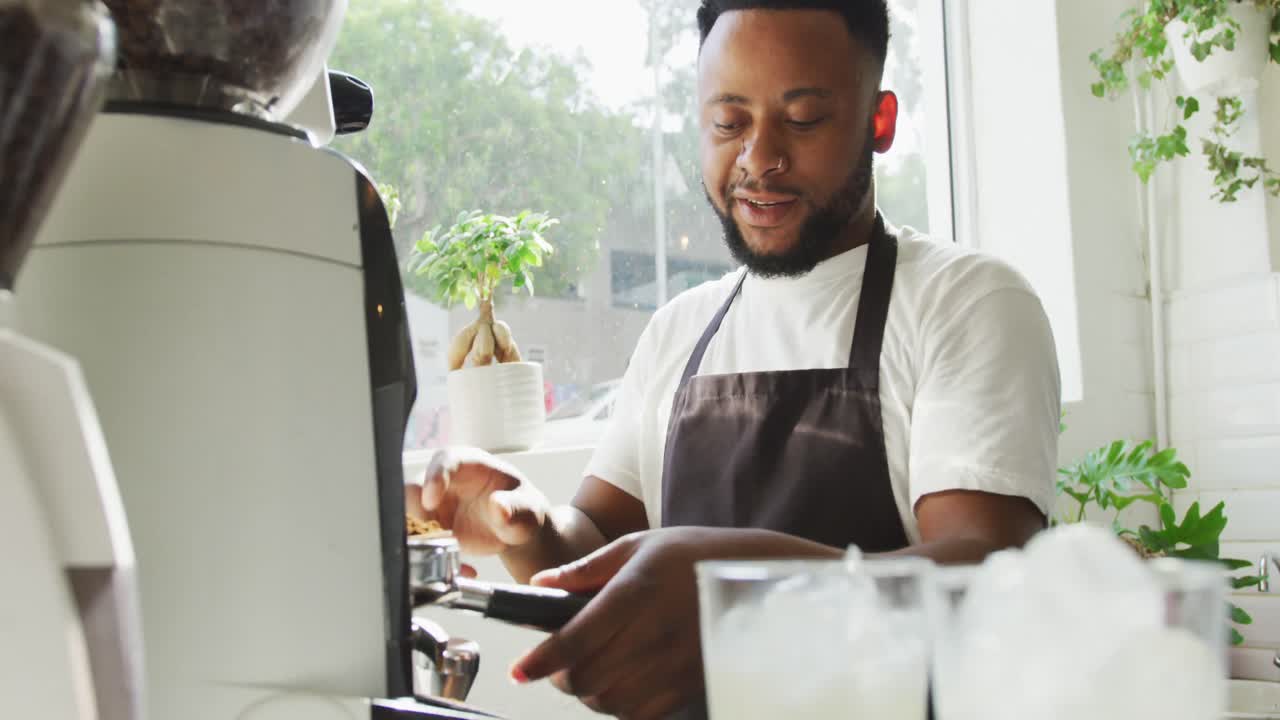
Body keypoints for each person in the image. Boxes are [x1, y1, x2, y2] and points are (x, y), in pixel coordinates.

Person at [408, 1, 1061, 718]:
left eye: (803, 119)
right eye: (729, 123)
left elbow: (984, 576)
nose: (758, 159)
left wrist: (743, 599)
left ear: (879, 122)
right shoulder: (678, 330)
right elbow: (590, 549)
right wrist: (523, 523)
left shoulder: (962, 301)